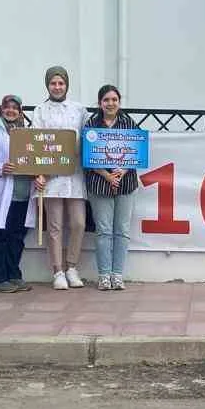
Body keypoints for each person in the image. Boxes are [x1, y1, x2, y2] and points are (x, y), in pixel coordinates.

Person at [33, 66, 91, 290]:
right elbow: (36, 143)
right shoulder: (40, 110)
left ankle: (72, 267)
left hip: (75, 174)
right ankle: (57, 270)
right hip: (51, 176)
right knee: (55, 225)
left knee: (78, 223)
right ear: (47, 85)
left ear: (67, 85)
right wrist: (38, 173)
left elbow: (89, 138)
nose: (57, 87)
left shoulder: (79, 110)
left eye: (61, 83)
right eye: (53, 83)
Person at [85, 84, 143, 290]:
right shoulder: (91, 124)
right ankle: (103, 275)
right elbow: (88, 156)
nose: (110, 103)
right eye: (106, 100)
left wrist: (123, 171)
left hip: (126, 183)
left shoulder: (129, 123)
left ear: (119, 102)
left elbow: (137, 152)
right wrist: (108, 176)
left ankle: (117, 274)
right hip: (100, 183)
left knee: (122, 230)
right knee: (103, 231)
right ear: (100, 103)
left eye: (114, 100)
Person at [0, 95, 33, 293]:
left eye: (15, 108)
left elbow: (35, 158)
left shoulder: (26, 133)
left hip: (22, 192)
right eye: (7, 107)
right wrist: (0, 167)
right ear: (1, 110)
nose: (11, 111)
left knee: (16, 236)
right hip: (0, 191)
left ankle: (13, 274)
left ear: (21, 111)